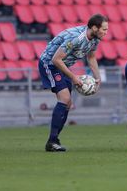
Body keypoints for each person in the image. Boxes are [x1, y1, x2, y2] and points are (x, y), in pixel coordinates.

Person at [39, 14, 108, 152]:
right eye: (104, 29)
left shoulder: (95, 39)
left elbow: (91, 56)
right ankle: (52, 141)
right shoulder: (76, 38)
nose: (106, 33)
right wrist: (73, 77)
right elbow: (56, 59)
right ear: (94, 28)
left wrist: (97, 77)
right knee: (64, 98)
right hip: (50, 64)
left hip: (62, 66)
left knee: (68, 103)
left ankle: (54, 140)